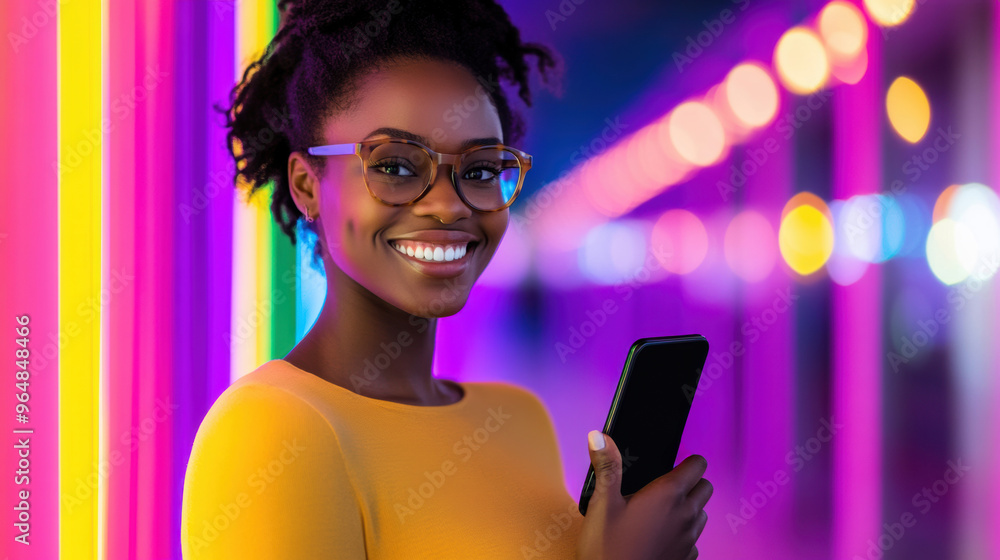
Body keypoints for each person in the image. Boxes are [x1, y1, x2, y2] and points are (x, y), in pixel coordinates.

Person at [180, 1, 712, 558]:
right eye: (395, 165)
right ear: (307, 184)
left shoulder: (516, 417)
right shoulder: (268, 431)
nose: (448, 206)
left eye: (480, 171)